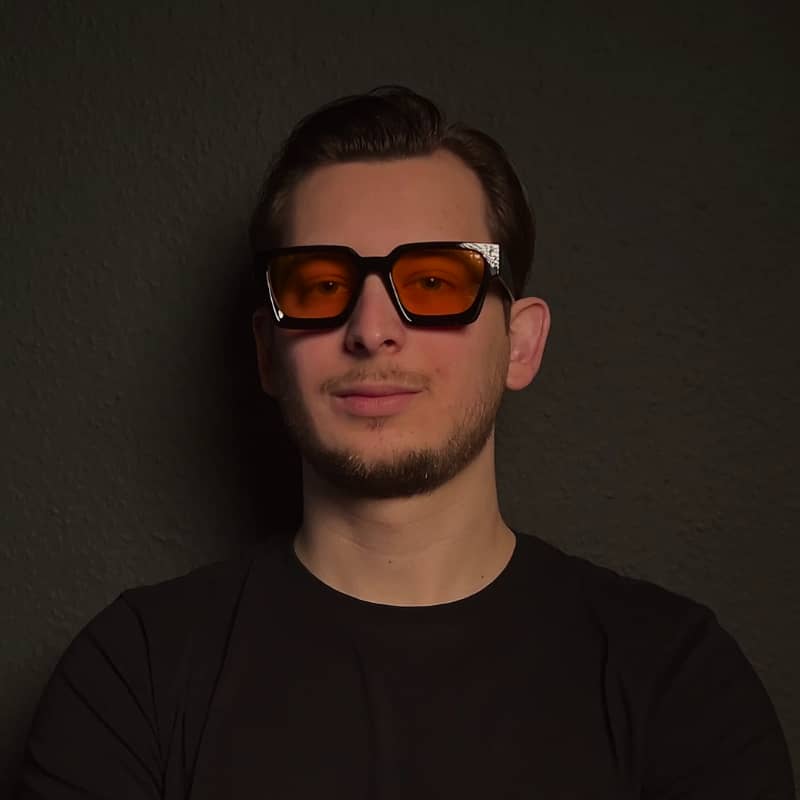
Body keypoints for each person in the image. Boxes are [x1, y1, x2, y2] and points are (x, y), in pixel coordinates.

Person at [17, 87, 794, 799]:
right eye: (323, 285)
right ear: (267, 353)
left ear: (521, 344)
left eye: (432, 282)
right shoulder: (136, 673)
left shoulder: (675, 678)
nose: (372, 329)